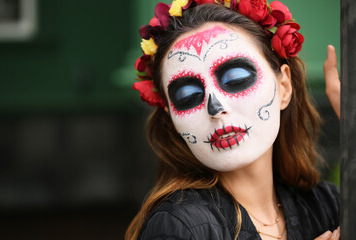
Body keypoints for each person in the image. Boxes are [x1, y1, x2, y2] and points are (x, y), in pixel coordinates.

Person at [128, 1, 341, 239]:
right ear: (172, 119)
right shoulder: (179, 226)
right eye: (188, 96)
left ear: (284, 86)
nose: (215, 107)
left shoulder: (327, 205)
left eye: (236, 78)